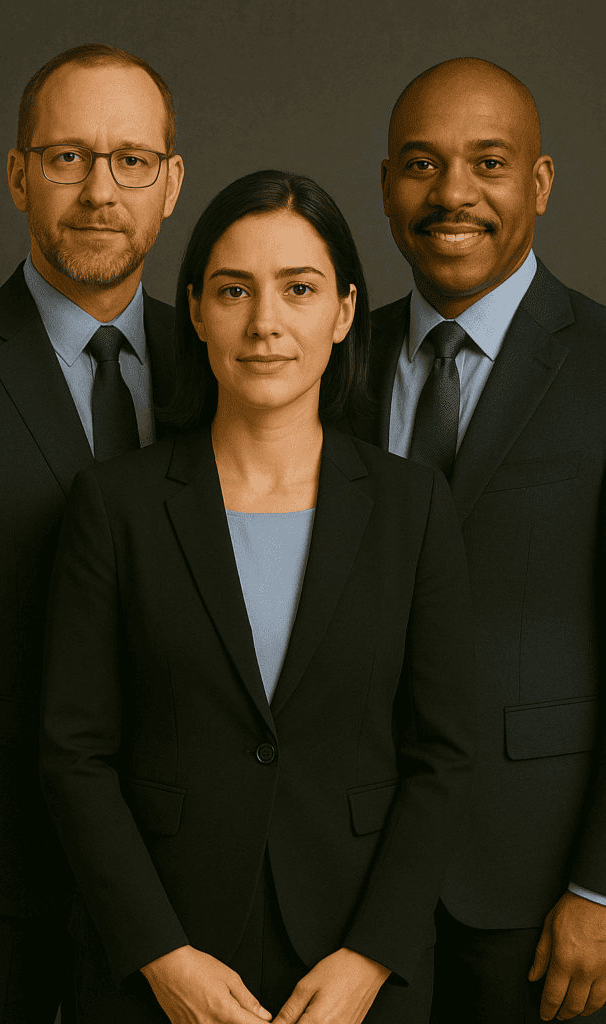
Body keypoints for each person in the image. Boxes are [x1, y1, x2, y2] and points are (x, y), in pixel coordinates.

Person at [40, 168, 477, 1024]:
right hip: (161, 965)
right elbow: (74, 756)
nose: (265, 323)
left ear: (343, 312)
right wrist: (162, 960)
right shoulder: (114, 505)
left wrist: (369, 958)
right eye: (234, 290)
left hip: (356, 968)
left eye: (298, 289)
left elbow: (442, 756)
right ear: (197, 309)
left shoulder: (412, 505)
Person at [0, 42, 184, 1022]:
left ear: (169, 182)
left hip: (176, 886)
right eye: (67, 156)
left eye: (130, 160)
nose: (98, 190)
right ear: (18, 174)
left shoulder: (215, 367)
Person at [349, 57, 606, 1023]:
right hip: (350, 877)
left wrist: (599, 891)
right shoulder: (328, 363)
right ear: (384, 187)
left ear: (537, 183)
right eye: (421, 163)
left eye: (487, 163)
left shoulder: (603, 367)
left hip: (539, 891)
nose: (451, 193)